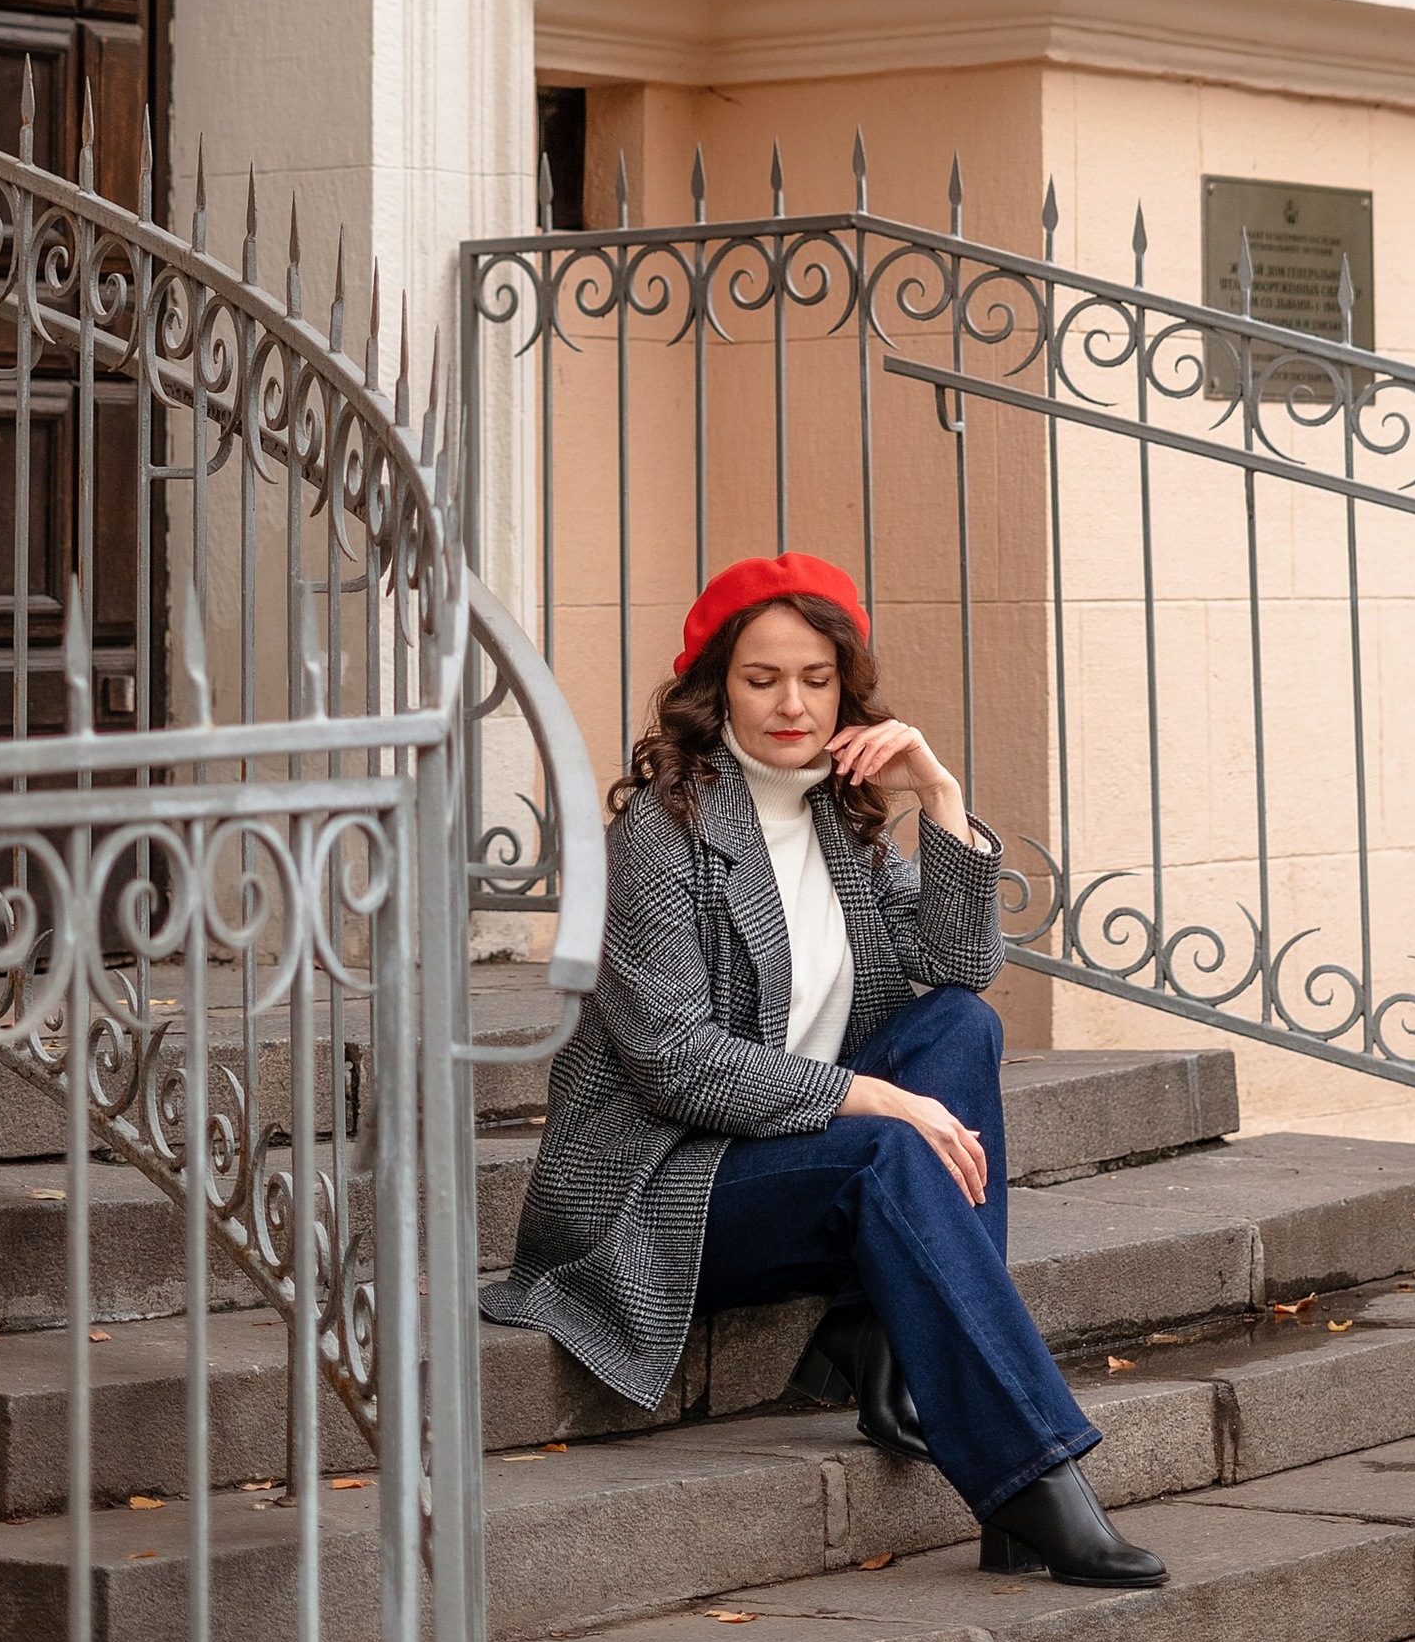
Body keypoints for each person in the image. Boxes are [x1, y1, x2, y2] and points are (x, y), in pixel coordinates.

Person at [483, 550, 1165, 1586]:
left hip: (791, 1154)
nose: (790, 703)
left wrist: (939, 794)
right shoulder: (658, 837)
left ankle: (886, 1331)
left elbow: (955, 965)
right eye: (762, 678)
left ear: (847, 686)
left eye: (814, 676)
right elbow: (674, 1065)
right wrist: (870, 1093)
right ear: (714, 690)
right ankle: (1032, 1478)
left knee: (962, 1027)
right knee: (886, 1149)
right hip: (664, 1187)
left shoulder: (838, 817)